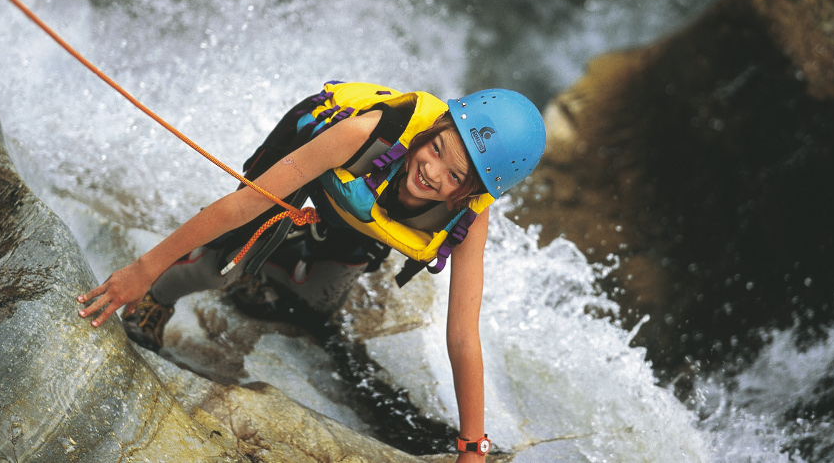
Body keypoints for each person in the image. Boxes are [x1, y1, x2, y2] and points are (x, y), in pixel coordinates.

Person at [77, 80, 546, 460]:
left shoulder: (467, 218)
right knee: (226, 267)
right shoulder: (367, 133)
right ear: (438, 123)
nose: (433, 170)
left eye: (455, 176)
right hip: (325, 156)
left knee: (319, 302)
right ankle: (166, 293)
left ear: (469, 193)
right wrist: (142, 270)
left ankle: (286, 255)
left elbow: (463, 334)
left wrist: (472, 450)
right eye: (438, 147)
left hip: (363, 204)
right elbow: (244, 204)